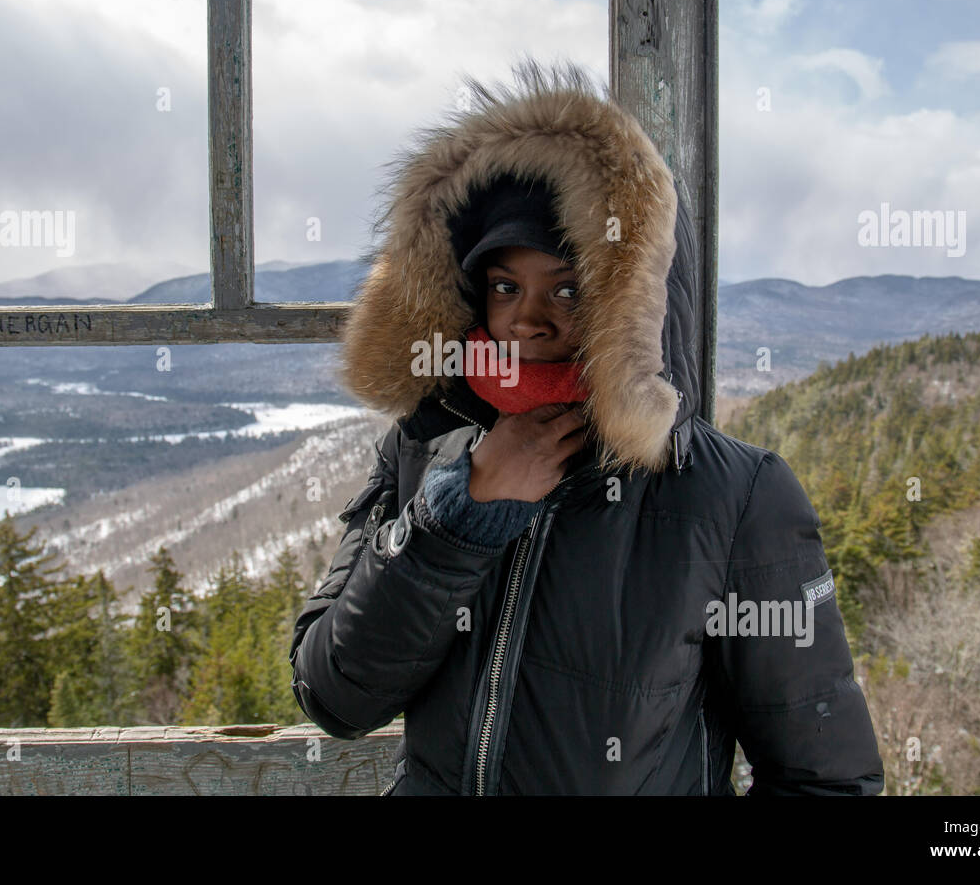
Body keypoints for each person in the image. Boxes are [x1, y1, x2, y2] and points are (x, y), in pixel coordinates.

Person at [290, 57, 884, 796]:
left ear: (633, 299)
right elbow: (335, 697)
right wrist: (456, 521)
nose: (527, 319)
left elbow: (823, 779)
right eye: (506, 286)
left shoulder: (732, 497)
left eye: (567, 288)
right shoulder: (427, 445)